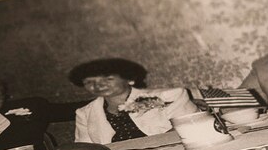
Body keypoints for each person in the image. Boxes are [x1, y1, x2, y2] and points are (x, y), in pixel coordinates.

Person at [66, 57, 199, 144]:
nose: (98, 86)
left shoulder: (170, 95)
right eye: (89, 82)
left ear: (129, 79)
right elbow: (86, 148)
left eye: (107, 78)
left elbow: (191, 128)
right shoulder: (84, 113)